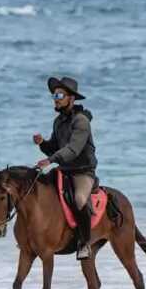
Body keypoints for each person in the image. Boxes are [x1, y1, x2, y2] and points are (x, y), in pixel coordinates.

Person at [33, 76, 98, 260]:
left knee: (79, 199)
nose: (56, 99)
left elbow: (73, 150)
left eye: (60, 95)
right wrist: (42, 143)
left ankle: (84, 243)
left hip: (82, 171)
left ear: (71, 98)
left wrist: (50, 160)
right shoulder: (58, 122)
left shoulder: (81, 121)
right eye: (54, 96)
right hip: (65, 170)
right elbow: (55, 148)